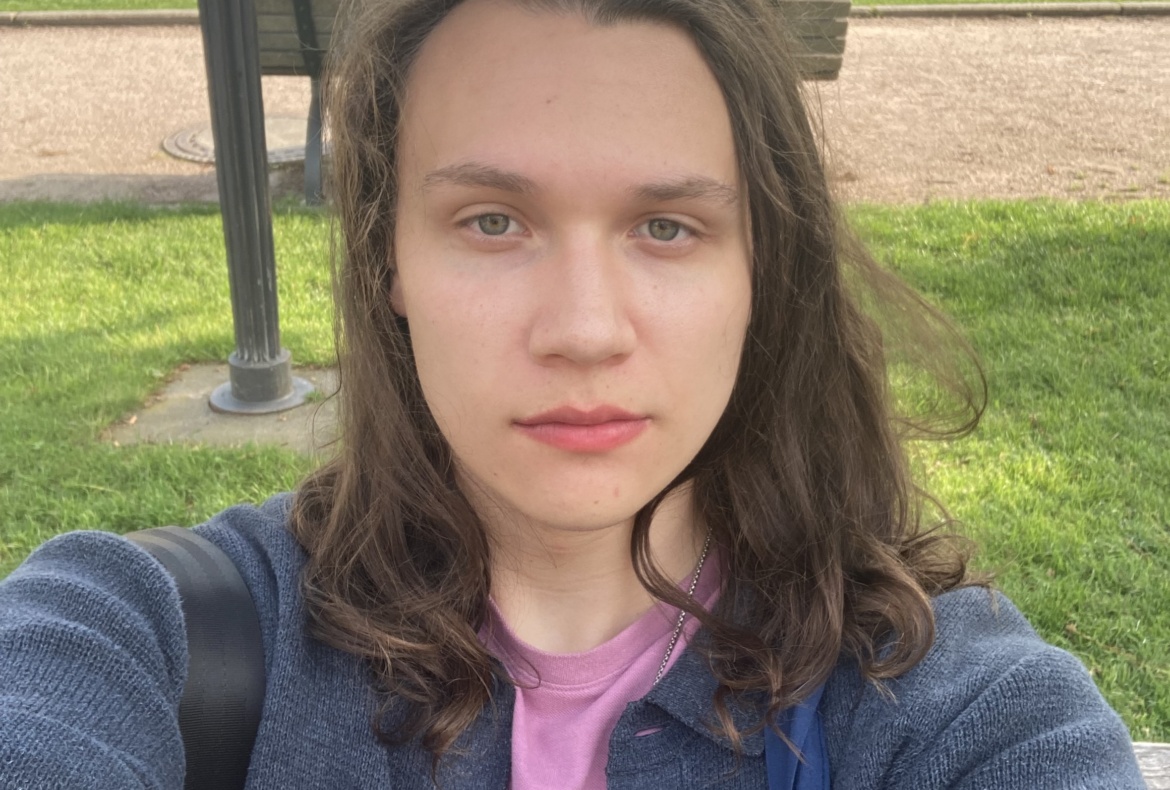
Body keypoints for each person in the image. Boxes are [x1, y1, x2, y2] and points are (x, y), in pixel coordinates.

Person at [0, 0, 1147, 787]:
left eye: (667, 227)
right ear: (389, 257)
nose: (586, 330)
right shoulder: (144, 629)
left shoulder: (948, 704)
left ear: (763, 269)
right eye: (494, 221)